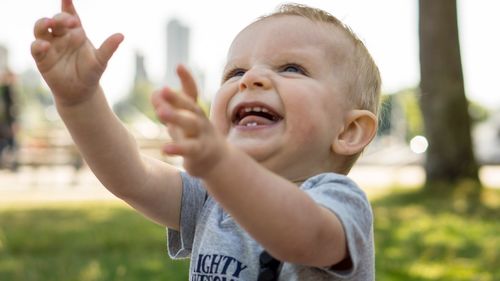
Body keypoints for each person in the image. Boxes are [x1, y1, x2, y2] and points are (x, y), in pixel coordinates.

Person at [31, 0, 381, 280]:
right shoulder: (211, 198)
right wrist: (80, 101)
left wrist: (219, 165)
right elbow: (131, 175)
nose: (252, 78)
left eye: (291, 68)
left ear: (348, 131)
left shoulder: (339, 202)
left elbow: (302, 236)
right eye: (236, 72)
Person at [0, 69, 18, 169]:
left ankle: (11, 165)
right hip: (5, 124)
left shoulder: (6, 90)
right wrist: (12, 124)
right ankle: (12, 165)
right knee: (9, 144)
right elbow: (9, 110)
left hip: (6, 124)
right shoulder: (6, 90)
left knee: (9, 145)